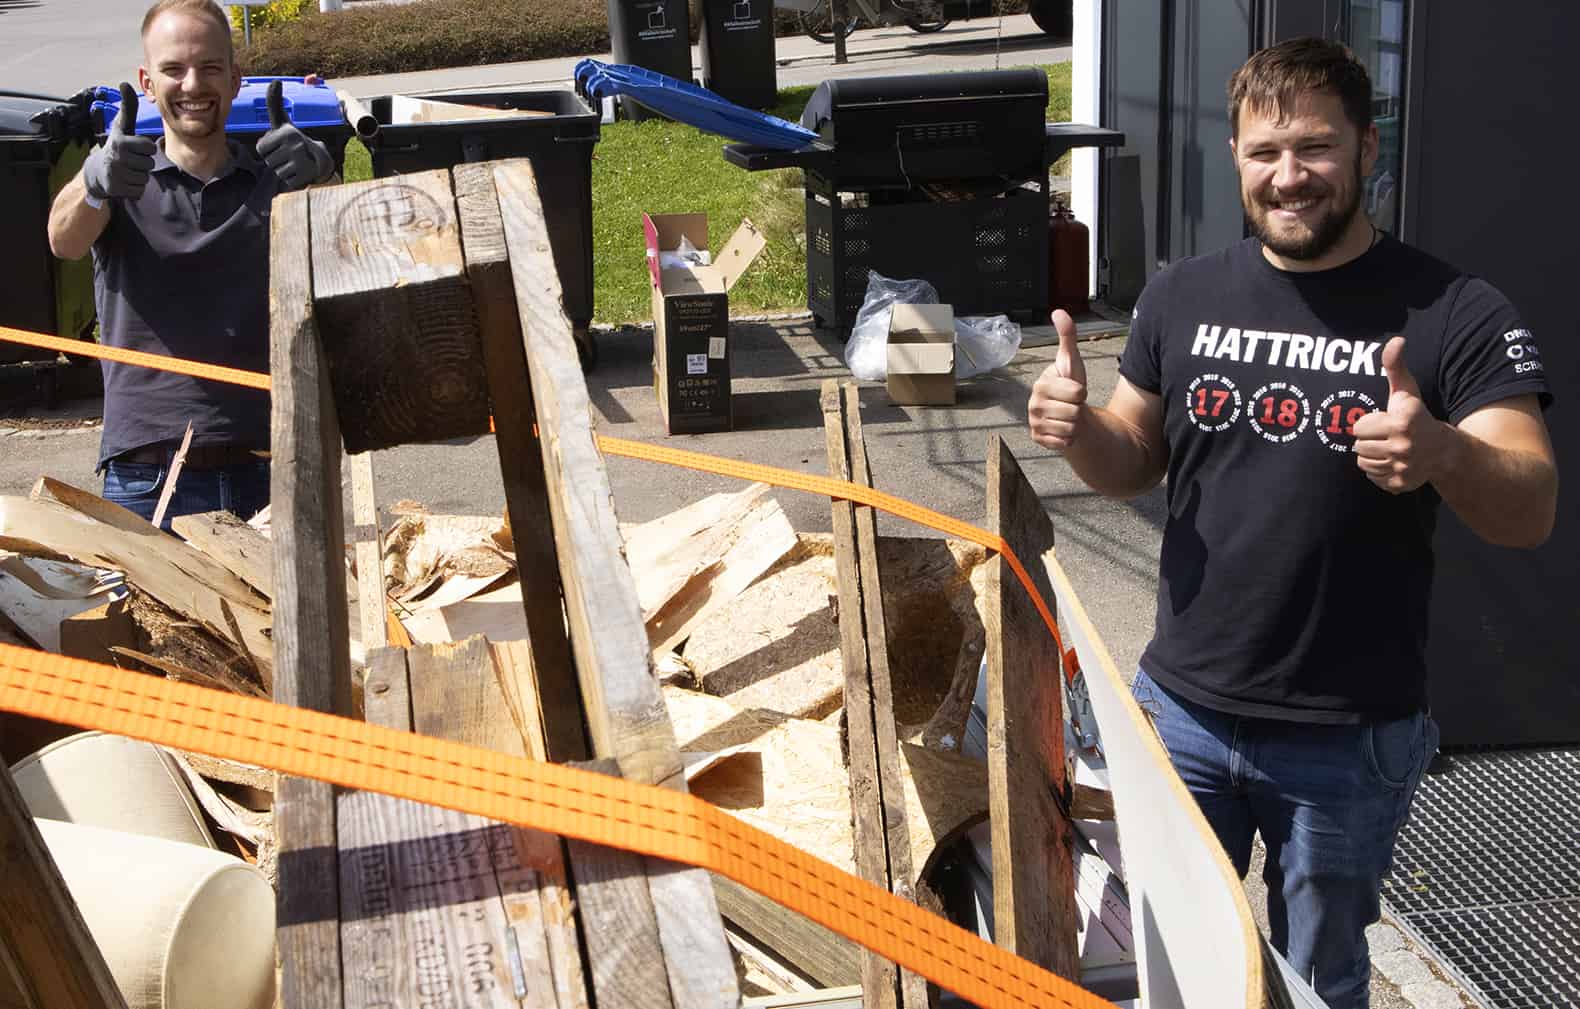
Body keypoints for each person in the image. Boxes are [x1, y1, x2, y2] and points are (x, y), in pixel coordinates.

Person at [1027, 37, 1556, 1009]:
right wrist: (1077, 431)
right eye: (1263, 152)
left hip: (1345, 737)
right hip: (1180, 709)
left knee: (1318, 977)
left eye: (1313, 148)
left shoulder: (1453, 312)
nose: (1288, 175)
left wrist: (1441, 450)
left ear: (1364, 149)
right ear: (1233, 156)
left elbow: (1528, 505)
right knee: (1171, 955)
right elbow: (1132, 458)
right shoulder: (1182, 294)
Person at [47, 0, 336, 528]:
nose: (192, 85)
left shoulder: (277, 180)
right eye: (173, 69)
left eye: (208, 67)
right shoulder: (121, 179)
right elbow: (63, 241)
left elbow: (358, 251)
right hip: (145, 477)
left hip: (271, 469)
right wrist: (92, 184)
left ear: (234, 78)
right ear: (147, 82)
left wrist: (328, 182)